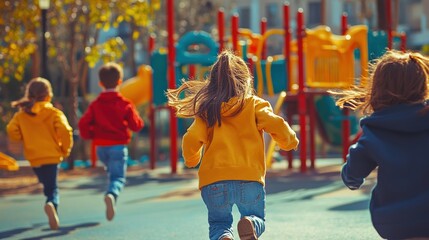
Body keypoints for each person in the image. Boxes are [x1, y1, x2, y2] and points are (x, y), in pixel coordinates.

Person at [167, 50, 299, 240]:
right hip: (249, 177)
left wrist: (191, 159)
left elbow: (191, 137)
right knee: (257, 216)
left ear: (212, 83)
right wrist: (289, 141)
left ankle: (224, 237)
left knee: (219, 224)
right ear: (246, 80)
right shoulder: (254, 104)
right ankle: (251, 223)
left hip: (214, 181)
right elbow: (276, 123)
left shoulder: (207, 110)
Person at [333, 50, 429, 239]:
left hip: (393, 221)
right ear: (422, 87)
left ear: (377, 89)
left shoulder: (375, 130)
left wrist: (352, 170)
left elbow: (352, 175)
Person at [78, 62, 144, 221]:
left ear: (100, 83)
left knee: (111, 171)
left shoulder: (95, 104)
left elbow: (83, 124)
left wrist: (91, 135)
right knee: (118, 178)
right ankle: (112, 194)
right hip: (118, 146)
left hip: (101, 147)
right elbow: (136, 125)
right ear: (120, 81)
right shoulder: (125, 104)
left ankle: (110, 189)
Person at [6, 77, 73, 230]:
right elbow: (65, 130)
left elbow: (11, 129)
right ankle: (51, 204)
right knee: (53, 189)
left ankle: (49, 202)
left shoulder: (21, 115)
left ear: (29, 95)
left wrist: (19, 137)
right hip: (52, 156)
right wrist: (65, 149)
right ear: (49, 96)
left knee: (46, 184)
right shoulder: (54, 113)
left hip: (34, 158)